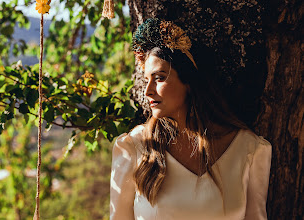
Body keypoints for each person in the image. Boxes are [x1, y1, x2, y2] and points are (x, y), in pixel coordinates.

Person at [110, 18, 272, 220]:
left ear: (189, 81)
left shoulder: (250, 150)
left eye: (159, 78)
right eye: (146, 80)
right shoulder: (133, 148)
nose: (148, 91)